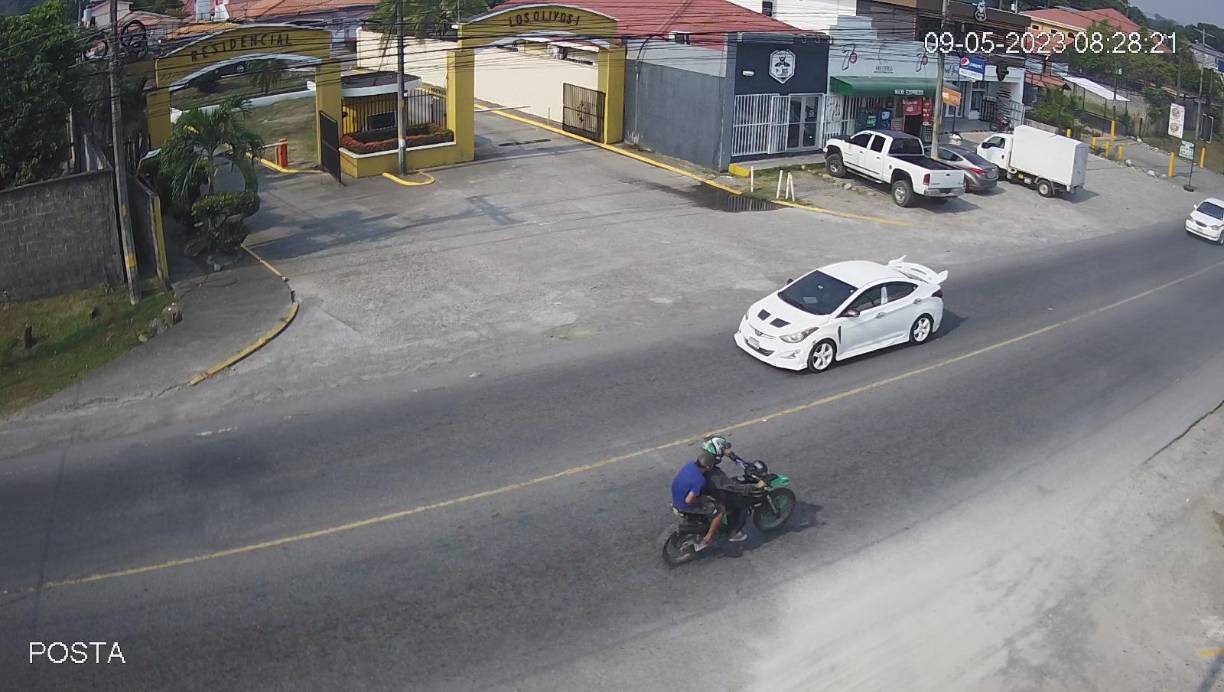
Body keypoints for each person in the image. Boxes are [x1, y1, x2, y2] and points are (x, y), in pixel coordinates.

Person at [670, 450, 723, 551]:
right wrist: (701, 501)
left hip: (676, 497)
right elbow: (689, 500)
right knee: (719, 510)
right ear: (708, 467)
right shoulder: (699, 480)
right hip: (684, 505)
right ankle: (708, 538)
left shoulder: (690, 465)